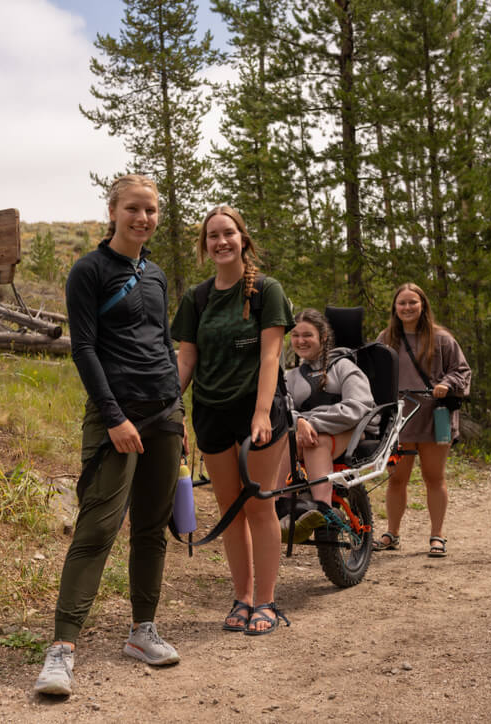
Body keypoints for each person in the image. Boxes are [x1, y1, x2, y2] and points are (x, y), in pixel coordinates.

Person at [34, 174, 184, 697]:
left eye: (152, 210)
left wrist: (178, 411)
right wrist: (114, 417)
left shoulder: (157, 275)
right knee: (98, 526)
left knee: (151, 528)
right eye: (134, 209)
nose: (144, 218)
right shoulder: (89, 271)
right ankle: (62, 648)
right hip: (114, 418)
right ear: (114, 211)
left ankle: (142, 632)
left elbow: (164, 343)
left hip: (165, 414)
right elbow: (84, 350)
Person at [171, 205, 294, 636]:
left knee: (260, 506)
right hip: (211, 412)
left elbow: (271, 355)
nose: (221, 242)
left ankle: (266, 601)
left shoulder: (266, 291)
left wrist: (262, 412)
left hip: (257, 412)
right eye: (212, 236)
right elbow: (186, 358)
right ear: (205, 246)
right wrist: (171, 405)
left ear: (243, 239)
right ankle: (241, 597)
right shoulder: (197, 298)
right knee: (229, 510)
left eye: (228, 234)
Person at [374, 283, 471, 558]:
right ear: (395, 307)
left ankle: (437, 536)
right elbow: (373, 374)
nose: (407, 308)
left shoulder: (442, 339)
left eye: (412, 303)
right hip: (400, 420)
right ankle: (392, 534)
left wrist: (446, 383)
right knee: (396, 480)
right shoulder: (386, 339)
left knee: (434, 478)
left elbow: (462, 370)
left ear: (423, 305)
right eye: (402, 303)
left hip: (435, 417)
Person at [277, 308, 375, 543]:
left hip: (346, 430)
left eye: (307, 335)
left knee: (315, 440)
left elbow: (359, 406)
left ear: (323, 337)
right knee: (282, 442)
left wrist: (310, 422)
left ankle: (322, 508)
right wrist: (298, 422)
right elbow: (282, 409)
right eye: (296, 335)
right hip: (303, 433)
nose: (301, 341)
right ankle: (280, 507)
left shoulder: (344, 367)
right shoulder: (290, 377)